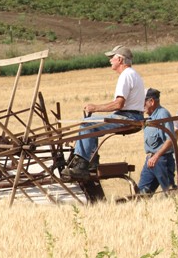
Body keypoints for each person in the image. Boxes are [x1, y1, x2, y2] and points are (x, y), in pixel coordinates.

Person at [62, 45, 145, 181]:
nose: (110, 60)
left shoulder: (125, 76)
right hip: (133, 115)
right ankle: (92, 161)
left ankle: (82, 165)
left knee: (87, 123)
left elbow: (119, 104)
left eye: (112, 57)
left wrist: (95, 108)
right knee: (92, 124)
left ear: (120, 59)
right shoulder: (133, 74)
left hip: (128, 117)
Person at [137, 88, 175, 194]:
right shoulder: (150, 117)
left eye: (143, 102)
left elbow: (170, 139)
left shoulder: (163, 114)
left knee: (170, 191)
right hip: (151, 159)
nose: (142, 106)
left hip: (162, 160)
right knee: (141, 194)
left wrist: (156, 156)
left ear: (152, 102)